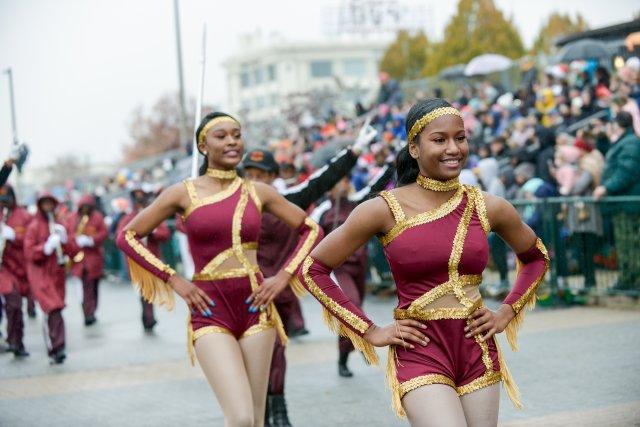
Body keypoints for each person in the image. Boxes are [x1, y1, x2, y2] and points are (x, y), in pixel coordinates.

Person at [299, 99, 549, 426]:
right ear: (414, 148)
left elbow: (535, 257)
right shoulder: (383, 209)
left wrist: (506, 312)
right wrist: (368, 331)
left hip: (477, 348)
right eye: (439, 139)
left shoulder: (488, 206)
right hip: (420, 349)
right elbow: (314, 269)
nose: (453, 148)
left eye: (460, 138)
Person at [116, 112, 323, 426]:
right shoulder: (182, 193)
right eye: (221, 136)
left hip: (257, 307)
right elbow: (127, 236)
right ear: (203, 145)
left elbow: (312, 229)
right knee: (239, 417)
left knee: (254, 419)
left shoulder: (259, 192)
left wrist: (283, 277)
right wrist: (175, 280)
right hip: (210, 309)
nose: (231, 142)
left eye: (236, 135)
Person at [242, 121, 376, 427]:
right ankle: (264, 408)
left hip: (281, 289)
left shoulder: (289, 200)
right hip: (247, 292)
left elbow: (322, 178)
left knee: (277, 349)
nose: (253, 180)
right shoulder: (234, 205)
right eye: (248, 175)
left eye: (260, 175)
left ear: (273, 178)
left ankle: (278, 404)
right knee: (259, 350)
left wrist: (354, 151)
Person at [311, 165, 393, 378]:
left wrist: (391, 166)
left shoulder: (358, 203)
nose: (343, 185)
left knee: (355, 311)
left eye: (345, 181)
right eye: (338, 182)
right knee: (351, 307)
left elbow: (376, 187)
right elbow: (313, 240)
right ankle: (345, 358)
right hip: (338, 270)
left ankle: (356, 345)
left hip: (359, 267)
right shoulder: (323, 211)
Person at [594, 112, 640, 290]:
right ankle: (628, 280)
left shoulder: (630, 143)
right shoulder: (624, 142)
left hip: (628, 204)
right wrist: (601, 137)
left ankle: (631, 281)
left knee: (629, 243)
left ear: (617, 124)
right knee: (625, 243)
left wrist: (607, 188)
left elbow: (626, 171)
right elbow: (610, 157)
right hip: (623, 204)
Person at [24, 193, 72, 364]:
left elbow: (71, 250)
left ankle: (59, 346)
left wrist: (65, 239)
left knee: (57, 309)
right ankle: (56, 348)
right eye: (44, 204)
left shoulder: (59, 225)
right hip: (41, 274)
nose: (48, 208)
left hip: (56, 274)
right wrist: (45, 247)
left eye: (50, 204)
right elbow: (29, 253)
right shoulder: (34, 226)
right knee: (52, 308)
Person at [116, 185, 171, 331]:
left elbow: (165, 234)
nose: (139, 199)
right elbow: (120, 237)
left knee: (150, 289)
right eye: (137, 197)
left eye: (142, 196)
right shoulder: (128, 218)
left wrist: (153, 231)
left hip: (152, 258)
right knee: (144, 290)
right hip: (136, 261)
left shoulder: (154, 214)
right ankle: (149, 318)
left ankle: (148, 317)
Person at [0, 184, 32, 357]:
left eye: (7, 198)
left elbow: (30, 239)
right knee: (13, 303)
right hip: (4, 268)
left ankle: (17, 342)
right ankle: (13, 340)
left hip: (21, 266)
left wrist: (15, 236)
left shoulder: (25, 216)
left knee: (17, 308)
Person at [66, 194, 108, 326]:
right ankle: (87, 313)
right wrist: (76, 240)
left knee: (94, 287)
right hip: (79, 260)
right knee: (84, 289)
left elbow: (104, 232)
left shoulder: (97, 217)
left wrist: (91, 240)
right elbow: (68, 233)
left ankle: (92, 311)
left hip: (94, 259)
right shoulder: (73, 218)